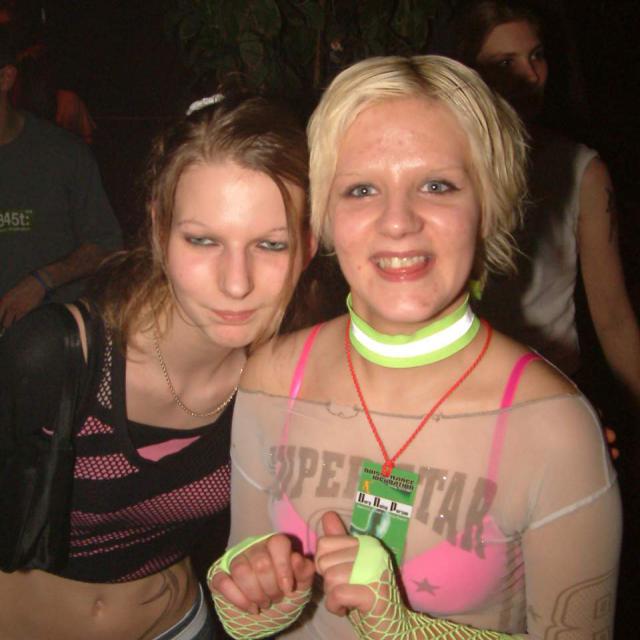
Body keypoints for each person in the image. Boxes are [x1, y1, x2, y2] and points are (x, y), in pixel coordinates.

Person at [208, 55, 622, 639]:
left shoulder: (554, 427)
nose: (398, 221)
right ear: (324, 216)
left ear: (488, 205)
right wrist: (256, 597)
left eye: (436, 185)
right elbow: (244, 603)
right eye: (361, 189)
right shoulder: (272, 377)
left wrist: (406, 630)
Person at [0, 93, 313, 639]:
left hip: (180, 626)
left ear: (309, 245)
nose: (236, 283)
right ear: (158, 227)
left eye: (271, 244)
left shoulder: (291, 380)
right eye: (202, 240)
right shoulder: (57, 356)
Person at [448, 0, 640, 405]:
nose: (531, 75)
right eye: (505, 63)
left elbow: (613, 318)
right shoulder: (442, 164)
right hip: (458, 390)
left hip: (549, 391)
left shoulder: (580, 169)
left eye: (536, 56)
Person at [0, 26, 122, 331]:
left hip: (56, 337)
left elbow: (106, 245)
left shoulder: (63, 153)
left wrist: (42, 281)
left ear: (6, 78)